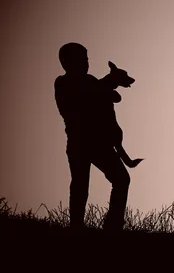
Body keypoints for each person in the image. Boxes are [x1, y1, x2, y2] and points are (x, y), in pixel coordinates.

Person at [54, 42, 140, 232]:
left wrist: (110, 86)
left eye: (86, 59)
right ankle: (76, 226)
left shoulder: (91, 81)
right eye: (81, 59)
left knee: (121, 179)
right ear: (66, 62)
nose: (86, 63)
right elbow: (83, 99)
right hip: (80, 142)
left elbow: (110, 96)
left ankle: (113, 226)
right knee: (80, 185)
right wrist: (110, 82)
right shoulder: (63, 82)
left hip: (100, 143)